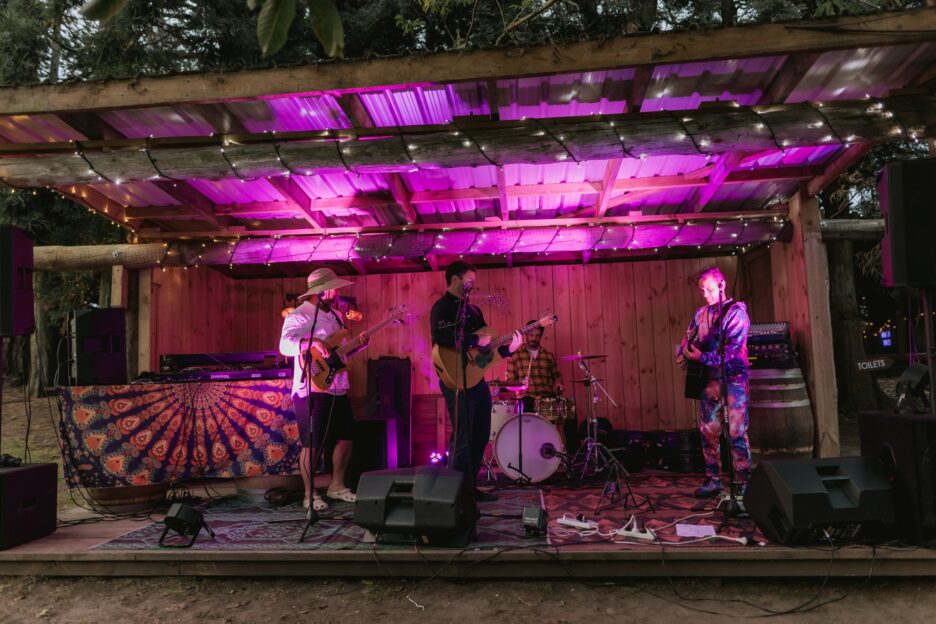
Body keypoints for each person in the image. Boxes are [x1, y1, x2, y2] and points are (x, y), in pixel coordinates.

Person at [430, 261, 522, 501]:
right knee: (463, 437)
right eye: (469, 280)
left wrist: (508, 350)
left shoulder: (474, 312)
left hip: (476, 380)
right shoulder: (442, 308)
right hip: (455, 380)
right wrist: (473, 339)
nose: (472, 284)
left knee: (480, 433)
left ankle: (469, 488)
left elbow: (485, 355)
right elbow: (441, 336)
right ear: (454, 280)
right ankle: (455, 493)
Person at [279, 267, 361, 514]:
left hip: (336, 386)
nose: (336, 292)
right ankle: (309, 494)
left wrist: (357, 346)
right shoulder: (299, 315)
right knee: (312, 443)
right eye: (332, 288)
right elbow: (285, 345)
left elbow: (337, 353)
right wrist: (310, 342)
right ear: (320, 292)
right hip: (311, 388)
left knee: (346, 436)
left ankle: (337, 485)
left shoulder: (337, 315)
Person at [677, 266, 752, 498]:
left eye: (709, 289)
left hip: (734, 381)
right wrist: (683, 353)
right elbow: (688, 338)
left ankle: (744, 482)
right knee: (708, 432)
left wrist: (701, 358)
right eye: (702, 290)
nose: (706, 294)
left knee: (737, 433)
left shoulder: (736, 314)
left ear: (722, 286)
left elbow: (732, 353)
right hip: (710, 382)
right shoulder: (700, 314)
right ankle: (713, 480)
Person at [506, 322, 563, 413]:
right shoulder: (515, 355)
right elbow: (509, 385)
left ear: (541, 336)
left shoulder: (548, 356)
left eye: (537, 335)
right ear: (526, 335)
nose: (534, 338)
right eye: (531, 335)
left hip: (546, 399)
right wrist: (520, 385)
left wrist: (558, 384)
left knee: (568, 410)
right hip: (526, 399)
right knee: (527, 402)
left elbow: (557, 377)